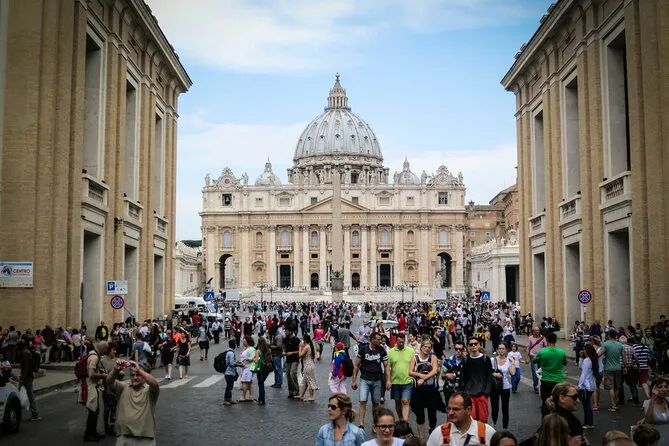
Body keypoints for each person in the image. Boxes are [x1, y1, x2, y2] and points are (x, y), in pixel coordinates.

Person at [106, 359, 160, 445]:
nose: (135, 378)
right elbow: (109, 381)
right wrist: (115, 370)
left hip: (145, 439)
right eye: (132, 375)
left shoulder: (149, 391)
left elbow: (155, 384)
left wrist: (139, 370)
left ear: (144, 376)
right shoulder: (123, 387)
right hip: (124, 438)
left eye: (138, 375)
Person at [426, 391, 496, 446]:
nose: (450, 413)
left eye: (456, 409)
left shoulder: (487, 432)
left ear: (468, 410)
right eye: (449, 409)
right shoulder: (438, 433)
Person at [352, 331, 390, 430]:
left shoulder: (382, 350)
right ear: (372, 339)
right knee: (362, 402)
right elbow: (356, 365)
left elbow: (386, 366)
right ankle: (361, 424)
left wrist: (388, 380)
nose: (380, 341)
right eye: (378, 340)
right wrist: (354, 380)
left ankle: (375, 424)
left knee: (376, 404)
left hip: (377, 380)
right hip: (365, 379)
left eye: (380, 340)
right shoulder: (363, 349)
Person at [408, 338, 442, 443]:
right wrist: (419, 375)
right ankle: (421, 439)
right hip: (418, 391)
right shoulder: (415, 358)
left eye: (429, 347)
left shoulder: (433, 357)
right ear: (421, 347)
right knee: (420, 416)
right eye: (425, 347)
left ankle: (432, 430)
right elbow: (410, 372)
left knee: (432, 415)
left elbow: (435, 371)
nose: (427, 349)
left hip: (431, 390)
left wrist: (423, 378)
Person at [534, 332, 567, 417]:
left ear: (547, 340)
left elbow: (534, 360)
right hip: (558, 381)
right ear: (556, 341)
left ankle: (545, 420)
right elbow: (564, 363)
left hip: (546, 380)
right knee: (558, 402)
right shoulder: (561, 352)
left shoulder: (542, 352)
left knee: (545, 402)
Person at [81, 341, 109, 442]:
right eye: (106, 349)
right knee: (93, 411)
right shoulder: (94, 357)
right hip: (91, 387)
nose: (106, 351)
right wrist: (104, 376)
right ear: (102, 348)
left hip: (92, 386)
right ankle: (88, 434)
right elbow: (91, 374)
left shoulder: (93, 354)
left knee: (95, 411)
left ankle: (93, 432)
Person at [462, 336, 493, 423]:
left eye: (475, 344)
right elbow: (464, 376)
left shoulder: (486, 359)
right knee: (471, 420)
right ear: (468, 346)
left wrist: (486, 393)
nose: (473, 346)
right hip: (470, 394)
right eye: (471, 344)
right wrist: (465, 391)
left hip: (482, 395)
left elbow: (489, 376)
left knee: (483, 420)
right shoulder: (466, 360)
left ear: (479, 345)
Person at [387, 333, 414, 422]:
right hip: (395, 382)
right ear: (396, 341)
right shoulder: (390, 352)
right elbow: (388, 367)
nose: (401, 344)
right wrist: (388, 380)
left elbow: (414, 365)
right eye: (399, 342)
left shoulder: (410, 351)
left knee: (405, 401)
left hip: (407, 381)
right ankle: (401, 419)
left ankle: (405, 423)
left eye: (403, 342)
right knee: (398, 403)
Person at [490, 343, 515, 429]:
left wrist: (513, 363)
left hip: (505, 387)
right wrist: (495, 374)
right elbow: (487, 372)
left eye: (503, 348)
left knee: (505, 408)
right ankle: (493, 424)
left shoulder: (509, 361)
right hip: (494, 387)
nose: (501, 350)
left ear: (506, 350)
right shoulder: (492, 360)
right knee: (494, 407)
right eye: (499, 348)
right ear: (497, 350)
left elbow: (513, 373)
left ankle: (505, 428)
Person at [599, 329, 624, 412]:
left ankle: (612, 404)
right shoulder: (620, 345)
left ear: (609, 335)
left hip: (608, 368)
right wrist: (625, 367)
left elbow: (599, 354)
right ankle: (615, 402)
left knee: (611, 387)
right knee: (617, 387)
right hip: (618, 368)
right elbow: (624, 358)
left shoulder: (606, 344)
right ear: (616, 336)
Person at [18, 338, 40, 422]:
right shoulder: (26, 351)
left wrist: (22, 378)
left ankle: (35, 413)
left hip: (28, 376)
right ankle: (34, 413)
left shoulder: (24, 353)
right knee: (29, 394)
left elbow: (26, 367)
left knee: (30, 395)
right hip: (29, 375)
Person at [577, 344, 598, 429]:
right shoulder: (593, 360)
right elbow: (581, 367)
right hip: (592, 384)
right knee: (587, 404)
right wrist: (581, 357)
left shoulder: (587, 360)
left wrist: (580, 385)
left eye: (584, 349)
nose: (583, 351)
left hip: (586, 385)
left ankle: (588, 423)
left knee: (586, 405)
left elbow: (583, 374)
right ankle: (588, 422)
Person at [525, 326, 547, 393]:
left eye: (538, 330)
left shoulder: (543, 338)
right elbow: (528, 347)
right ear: (533, 331)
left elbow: (546, 347)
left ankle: (541, 385)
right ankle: (536, 386)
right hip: (533, 356)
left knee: (542, 372)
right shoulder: (530, 338)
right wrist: (527, 357)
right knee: (535, 372)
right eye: (536, 330)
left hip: (541, 357)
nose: (537, 331)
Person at [297, 333, 317, 402]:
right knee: (305, 381)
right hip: (309, 364)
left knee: (310, 380)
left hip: (308, 365)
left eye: (302, 339)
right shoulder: (308, 345)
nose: (301, 340)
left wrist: (300, 347)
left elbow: (300, 355)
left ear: (304, 340)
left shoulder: (307, 347)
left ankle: (311, 396)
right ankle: (301, 395)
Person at [284, 327, 301, 399]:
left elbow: (300, 350)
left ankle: (296, 391)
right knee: (288, 375)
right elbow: (284, 348)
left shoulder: (297, 340)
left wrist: (292, 352)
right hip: (288, 360)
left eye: (286, 331)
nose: (285, 332)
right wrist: (284, 352)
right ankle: (290, 391)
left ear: (291, 332)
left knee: (292, 373)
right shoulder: (285, 339)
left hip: (295, 359)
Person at [239, 336, 256, 402]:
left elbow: (254, 358)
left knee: (244, 382)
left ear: (248, 342)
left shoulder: (251, 349)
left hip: (248, 368)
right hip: (246, 367)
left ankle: (243, 397)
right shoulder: (247, 348)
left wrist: (246, 359)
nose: (243, 342)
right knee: (250, 382)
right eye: (243, 341)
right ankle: (251, 396)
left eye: (244, 341)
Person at [223, 339, 237, 406]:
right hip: (229, 372)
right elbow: (231, 363)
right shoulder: (231, 353)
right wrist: (238, 364)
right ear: (234, 345)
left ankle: (229, 399)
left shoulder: (228, 352)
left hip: (227, 372)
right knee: (229, 387)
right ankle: (226, 400)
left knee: (230, 386)